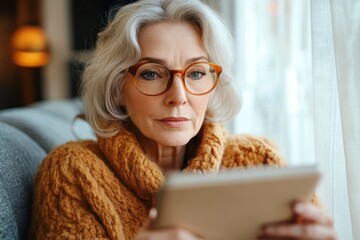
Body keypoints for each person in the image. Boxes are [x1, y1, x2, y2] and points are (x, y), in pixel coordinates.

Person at [29, 0, 337, 239]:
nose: (179, 95)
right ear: (116, 89)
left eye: (197, 73)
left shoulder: (259, 160)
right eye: (151, 73)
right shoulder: (73, 174)